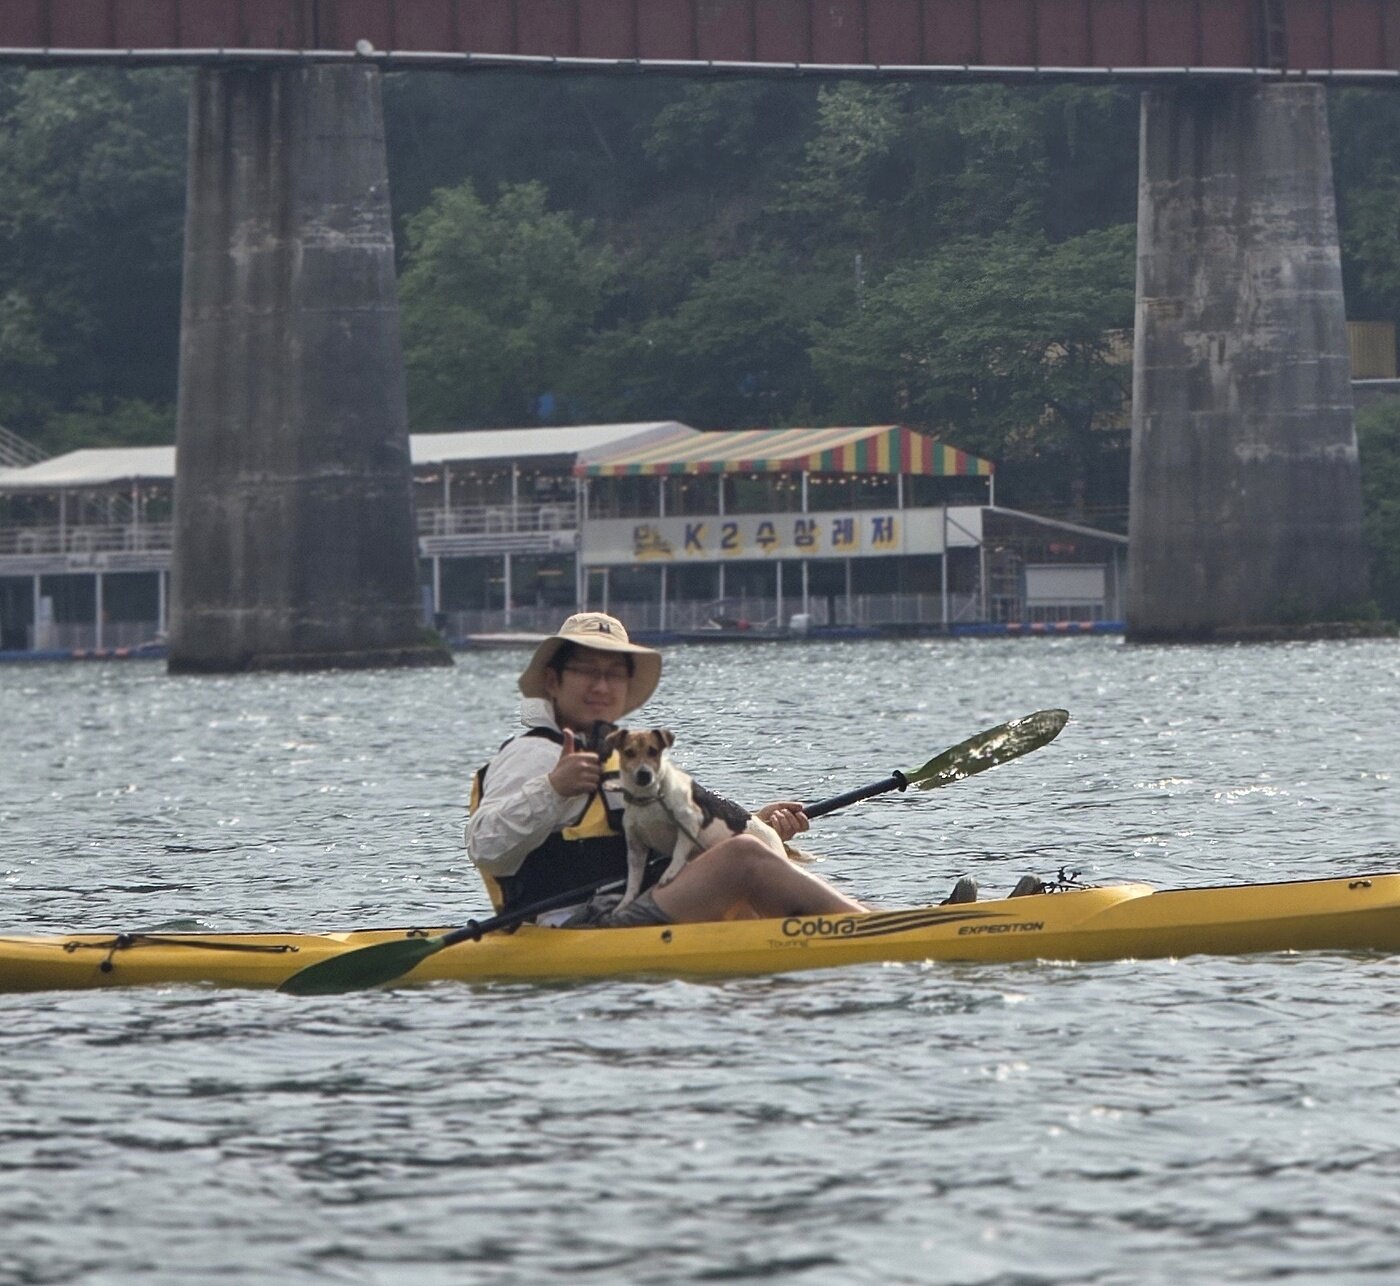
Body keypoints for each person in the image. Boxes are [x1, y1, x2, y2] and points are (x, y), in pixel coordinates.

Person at [466, 612, 869, 928]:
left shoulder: (617, 756)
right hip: (576, 928)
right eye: (588, 671)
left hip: (633, 906)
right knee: (744, 857)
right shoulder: (534, 753)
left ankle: (868, 921)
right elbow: (484, 848)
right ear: (553, 681)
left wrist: (755, 825)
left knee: (741, 854)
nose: (602, 686)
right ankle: (872, 929)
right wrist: (554, 788)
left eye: (614, 674)